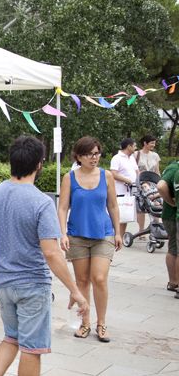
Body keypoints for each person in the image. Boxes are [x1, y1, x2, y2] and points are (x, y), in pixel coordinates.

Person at [0, 136, 89, 376]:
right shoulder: (41, 202)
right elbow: (51, 252)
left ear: (11, 161)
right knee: (32, 347)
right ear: (39, 165)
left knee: (11, 337)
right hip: (32, 284)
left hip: (2, 282)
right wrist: (75, 290)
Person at [58, 137, 121, 343]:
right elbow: (63, 207)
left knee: (99, 278)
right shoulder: (70, 177)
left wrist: (118, 232)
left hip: (103, 233)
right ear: (78, 156)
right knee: (82, 281)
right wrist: (63, 232)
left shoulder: (107, 176)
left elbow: (112, 206)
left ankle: (101, 323)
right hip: (77, 234)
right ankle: (85, 323)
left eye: (97, 153)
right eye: (89, 154)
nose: (94, 158)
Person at [157, 159, 179, 296]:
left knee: (173, 248)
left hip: (170, 215)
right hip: (172, 215)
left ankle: (173, 282)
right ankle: (175, 282)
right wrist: (171, 202)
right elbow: (160, 186)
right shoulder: (174, 168)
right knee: (174, 249)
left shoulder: (173, 167)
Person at [109, 137, 139, 237]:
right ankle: (114, 235)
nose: (135, 147)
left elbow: (136, 171)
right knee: (118, 215)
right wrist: (127, 180)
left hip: (130, 192)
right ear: (129, 146)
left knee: (125, 215)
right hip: (119, 191)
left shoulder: (132, 158)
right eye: (134, 145)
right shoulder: (117, 158)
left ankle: (120, 237)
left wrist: (139, 180)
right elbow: (113, 174)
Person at [135, 135, 161, 233]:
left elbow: (157, 171)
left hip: (153, 182)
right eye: (151, 143)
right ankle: (141, 231)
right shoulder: (136, 154)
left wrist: (160, 183)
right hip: (141, 183)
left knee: (156, 205)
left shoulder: (155, 155)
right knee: (141, 208)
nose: (153, 145)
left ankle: (156, 228)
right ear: (145, 143)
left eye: (154, 143)